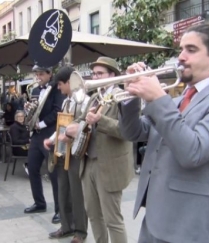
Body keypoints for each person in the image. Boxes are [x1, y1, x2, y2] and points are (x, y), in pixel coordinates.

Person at [118, 17, 209, 243]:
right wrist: (131, 96)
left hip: (189, 226)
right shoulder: (178, 100)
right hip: (154, 219)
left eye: (191, 49)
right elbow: (134, 133)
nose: (181, 57)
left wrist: (159, 97)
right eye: (181, 49)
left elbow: (194, 152)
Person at [62, 57, 134, 243]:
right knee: (93, 215)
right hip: (89, 163)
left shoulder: (124, 96)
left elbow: (126, 131)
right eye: (94, 73)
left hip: (110, 166)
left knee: (113, 220)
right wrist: (73, 127)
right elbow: (83, 119)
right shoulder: (94, 97)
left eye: (100, 73)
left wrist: (100, 121)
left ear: (112, 75)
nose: (95, 77)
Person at [44, 66, 89, 243]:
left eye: (61, 85)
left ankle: (80, 231)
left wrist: (70, 136)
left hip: (77, 152)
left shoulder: (84, 100)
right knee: (63, 191)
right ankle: (66, 225)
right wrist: (52, 139)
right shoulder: (65, 102)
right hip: (63, 152)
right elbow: (60, 126)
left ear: (69, 83)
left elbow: (85, 126)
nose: (59, 88)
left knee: (77, 193)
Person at [24, 65, 65, 225]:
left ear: (50, 74)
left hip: (50, 134)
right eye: (36, 74)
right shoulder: (34, 90)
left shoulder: (56, 89)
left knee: (54, 173)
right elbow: (34, 111)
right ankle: (39, 203)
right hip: (36, 136)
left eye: (41, 74)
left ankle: (59, 210)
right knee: (32, 169)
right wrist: (28, 110)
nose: (38, 77)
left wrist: (40, 124)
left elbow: (57, 111)